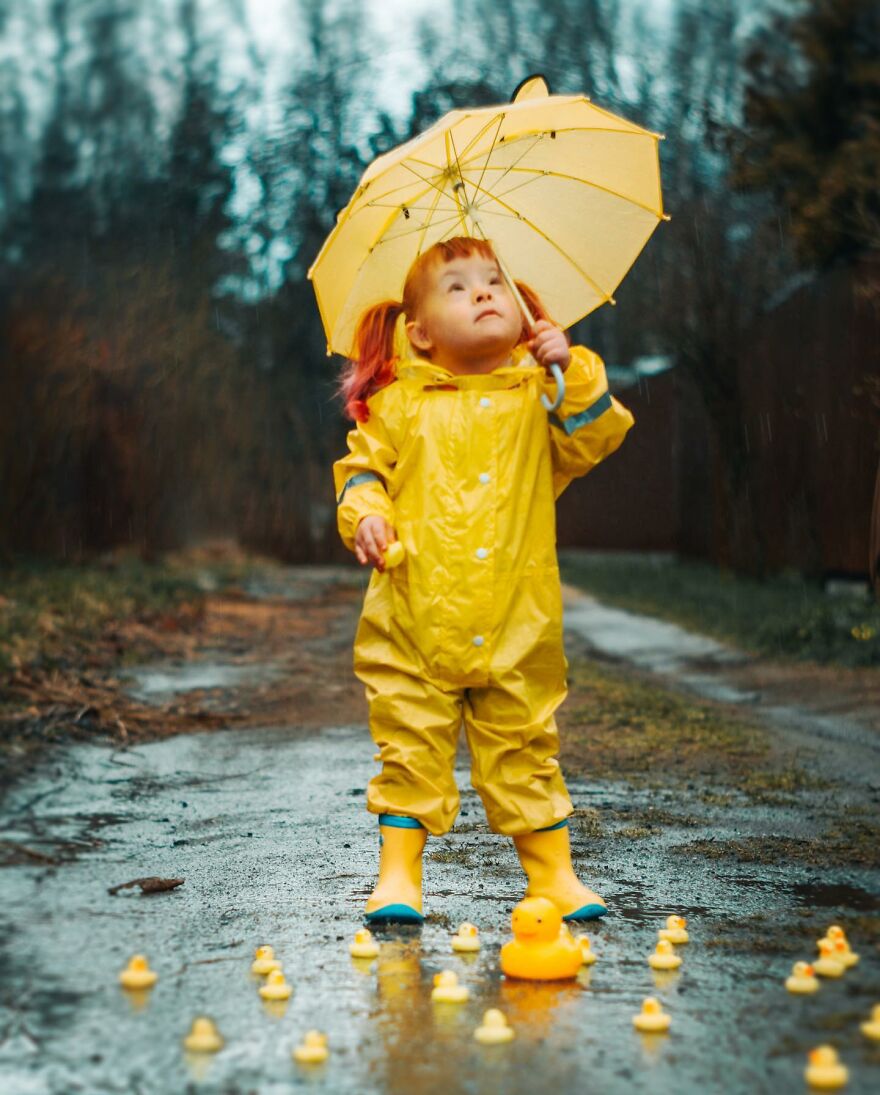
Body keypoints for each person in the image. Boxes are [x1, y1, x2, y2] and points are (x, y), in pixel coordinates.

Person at [332, 236, 635, 925]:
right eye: (459, 287)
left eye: (495, 280)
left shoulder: (540, 396)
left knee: (525, 745)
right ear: (420, 333)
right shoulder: (399, 405)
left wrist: (574, 373)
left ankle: (554, 876)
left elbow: (594, 439)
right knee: (409, 744)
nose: (484, 292)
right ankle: (398, 874)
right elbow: (361, 471)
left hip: (516, 619)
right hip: (414, 616)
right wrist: (368, 516)